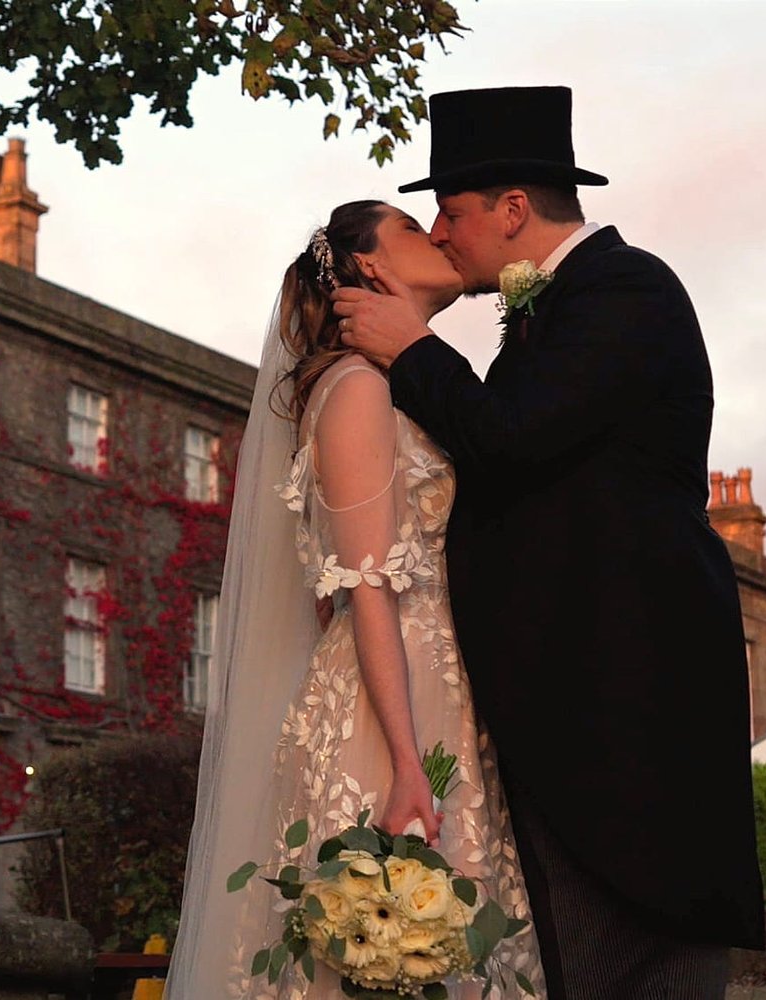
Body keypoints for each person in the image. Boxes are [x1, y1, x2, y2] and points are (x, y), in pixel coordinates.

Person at [332, 86, 766, 998]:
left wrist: (412, 349)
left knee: (643, 952)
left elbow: (514, 436)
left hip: (630, 702)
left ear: (513, 209)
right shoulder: (547, 311)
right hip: (569, 706)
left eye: (451, 212)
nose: (442, 234)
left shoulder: (627, 289)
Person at [166, 200, 546, 999]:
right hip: (392, 701)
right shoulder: (356, 389)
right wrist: (407, 763)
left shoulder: (400, 389)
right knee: (391, 938)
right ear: (369, 266)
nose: (437, 235)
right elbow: (365, 589)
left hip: (434, 684)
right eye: (412, 228)